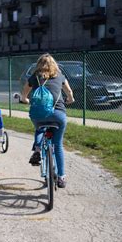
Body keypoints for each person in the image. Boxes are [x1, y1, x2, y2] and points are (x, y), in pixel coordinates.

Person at [20, 53, 75, 188]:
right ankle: (61, 177)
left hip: (39, 115)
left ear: (39, 65)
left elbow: (24, 94)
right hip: (58, 115)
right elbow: (69, 92)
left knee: (39, 128)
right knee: (58, 145)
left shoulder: (34, 77)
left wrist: (25, 100)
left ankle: (37, 149)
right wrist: (70, 99)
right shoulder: (60, 76)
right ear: (54, 65)